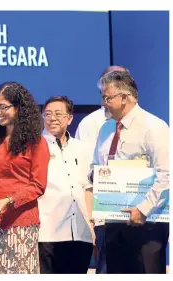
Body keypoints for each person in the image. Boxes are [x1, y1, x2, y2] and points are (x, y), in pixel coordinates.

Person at [89, 71, 169, 273]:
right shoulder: (106, 129)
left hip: (146, 223)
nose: (103, 103)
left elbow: (167, 175)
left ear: (124, 98)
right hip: (113, 222)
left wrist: (143, 210)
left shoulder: (154, 127)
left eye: (107, 97)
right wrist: (97, 177)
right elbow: (95, 166)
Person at [0, 82, 50, 274]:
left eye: (4, 107)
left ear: (19, 108)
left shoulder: (35, 142)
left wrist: (9, 201)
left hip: (20, 222)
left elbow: (38, 185)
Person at [75, 65, 129, 274]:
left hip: (141, 213)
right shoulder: (92, 124)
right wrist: (92, 218)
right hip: (105, 212)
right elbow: (86, 172)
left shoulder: (151, 125)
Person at [38, 96, 93, 274]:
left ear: (69, 118)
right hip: (47, 232)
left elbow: (88, 187)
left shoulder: (82, 148)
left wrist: (93, 225)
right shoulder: (34, 147)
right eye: (47, 114)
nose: (52, 118)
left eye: (58, 114)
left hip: (80, 232)